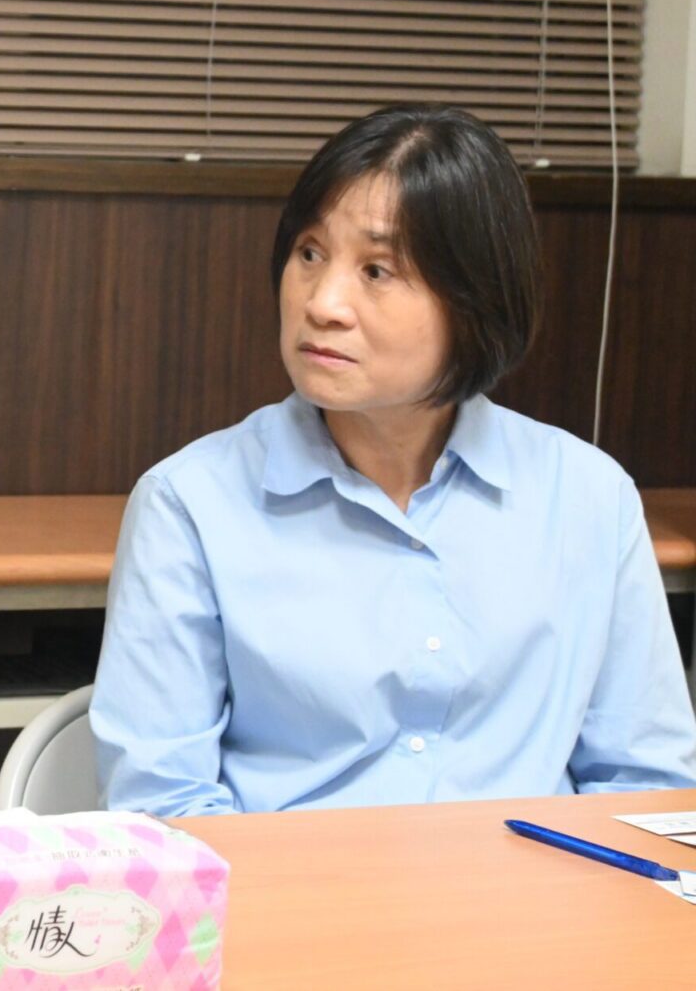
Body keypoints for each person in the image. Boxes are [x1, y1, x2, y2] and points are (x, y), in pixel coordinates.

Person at [92, 103, 696, 816]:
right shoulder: (190, 503)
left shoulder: (589, 496)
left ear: (475, 301)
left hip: (535, 887)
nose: (323, 303)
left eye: (376, 270)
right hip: (293, 887)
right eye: (309, 253)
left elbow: (645, 783)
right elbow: (163, 804)